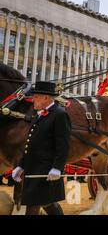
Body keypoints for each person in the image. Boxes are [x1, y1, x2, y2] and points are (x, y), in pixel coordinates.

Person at [11, 81, 71, 215]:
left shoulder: (59, 114)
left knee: (34, 204)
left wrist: (57, 168)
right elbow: (32, 144)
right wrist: (21, 166)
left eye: (36, 96)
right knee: (47, 204)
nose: (33, 99)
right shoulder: (39, 114)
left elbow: (63, 145)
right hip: (34, 168)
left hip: (46, 170)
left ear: (46, 98)